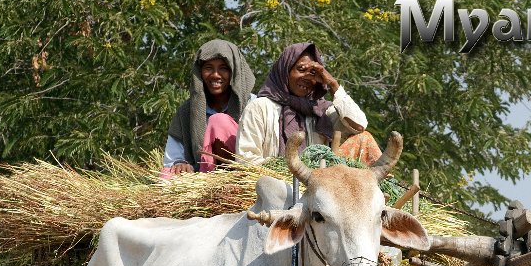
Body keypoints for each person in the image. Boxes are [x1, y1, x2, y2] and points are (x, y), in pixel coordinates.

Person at [236, 41, 382, 165]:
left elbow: (359, 125)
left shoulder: (321, 111)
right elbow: (246, 159)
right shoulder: (261, 107)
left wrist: (333, 84)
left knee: (364, 137)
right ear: (285, 71)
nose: (306, 77)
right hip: (275, 187)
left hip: (318, 188)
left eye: (313, 73)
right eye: (301, 69)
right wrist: (290, 169)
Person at [160, 39, 256, 177]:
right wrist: (180, 163)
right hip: (202, 177)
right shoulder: (187, 112)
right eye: (208, 68)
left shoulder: (253, 105)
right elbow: (172, 159)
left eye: (223, 68)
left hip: (244, 174)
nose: (215, 75)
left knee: (218, 122)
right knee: (166, 176)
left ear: (234, 72)